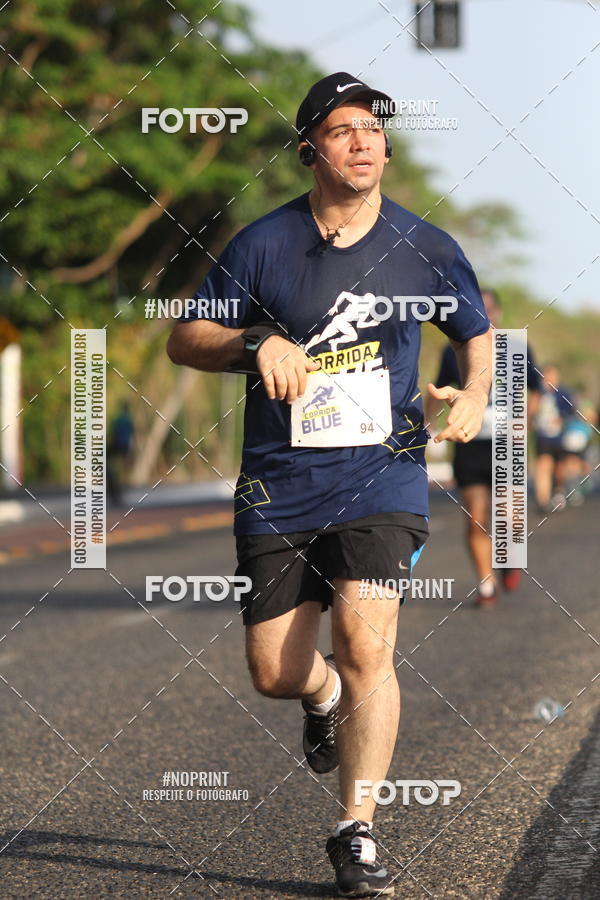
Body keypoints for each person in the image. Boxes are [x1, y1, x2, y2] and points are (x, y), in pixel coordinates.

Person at [167, 72, 492, 897]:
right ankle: (318, 702)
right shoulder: (262, 245)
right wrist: (254, 346)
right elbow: (185, 338)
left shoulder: (426, 246)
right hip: (281, 482)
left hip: (384, 473)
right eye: (343, 129)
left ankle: (357, 831)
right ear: (309, 146)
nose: (363, 142)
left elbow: (476, 334)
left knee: (365, 646)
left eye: (374, 130)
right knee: (276, 671)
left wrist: (476, 392)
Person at [425, 290, 541, 606]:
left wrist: (525, 422)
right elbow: (437, 390)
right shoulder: (454, 350)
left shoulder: (516, 346)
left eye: (490, 309)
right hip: (469, 442)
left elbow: (536, 389)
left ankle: (510, 558)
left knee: (507, 516)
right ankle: (486, 584)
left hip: (507, 441)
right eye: (479, 309)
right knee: (475, 516)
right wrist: (428, 425)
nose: (485, 314)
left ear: (500, 313)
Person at [533, 364, 573, 513]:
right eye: (547, 376)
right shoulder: (538, 393)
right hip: (543, 438)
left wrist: (561, 420)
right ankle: (542, 501)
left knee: (559, 468)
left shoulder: (563, 393)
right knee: (543, 467)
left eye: (552, 376)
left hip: (560, 438)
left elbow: (570, 412)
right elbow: (530, 413)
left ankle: (558, 490)